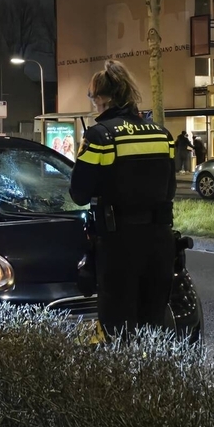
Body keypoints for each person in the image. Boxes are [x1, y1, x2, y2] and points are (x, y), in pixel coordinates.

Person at [70, 60, 176, 338]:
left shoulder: (100, 137)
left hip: (119, 246)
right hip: (160, 244)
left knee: (117, 329)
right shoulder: (162, 135)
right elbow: (170, 191)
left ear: (103, 98)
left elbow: (79, 194)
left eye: (93, 98)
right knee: (153, 327)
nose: (93, 105)